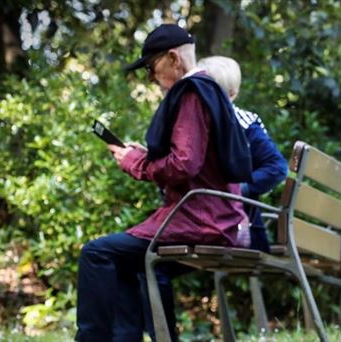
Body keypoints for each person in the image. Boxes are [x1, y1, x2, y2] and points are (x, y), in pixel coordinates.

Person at [75, 24, 252, 342]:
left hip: (201, 220)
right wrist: (144, 157)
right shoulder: (211, 90)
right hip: (219, 216)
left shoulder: (191, 94)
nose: (151, 79)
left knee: (96, 253)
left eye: (151, 68)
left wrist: (135, 162)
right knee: (124, 259)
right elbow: (197, 159)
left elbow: (184, 164)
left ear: (173, 59)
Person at [197, 56, 288, 252]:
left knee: (153, 260)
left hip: (240, 229)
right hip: (209, 222)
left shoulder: (245, 124)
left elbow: (277, 167)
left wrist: (237, 190)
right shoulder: (196, 124)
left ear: (232, 95)